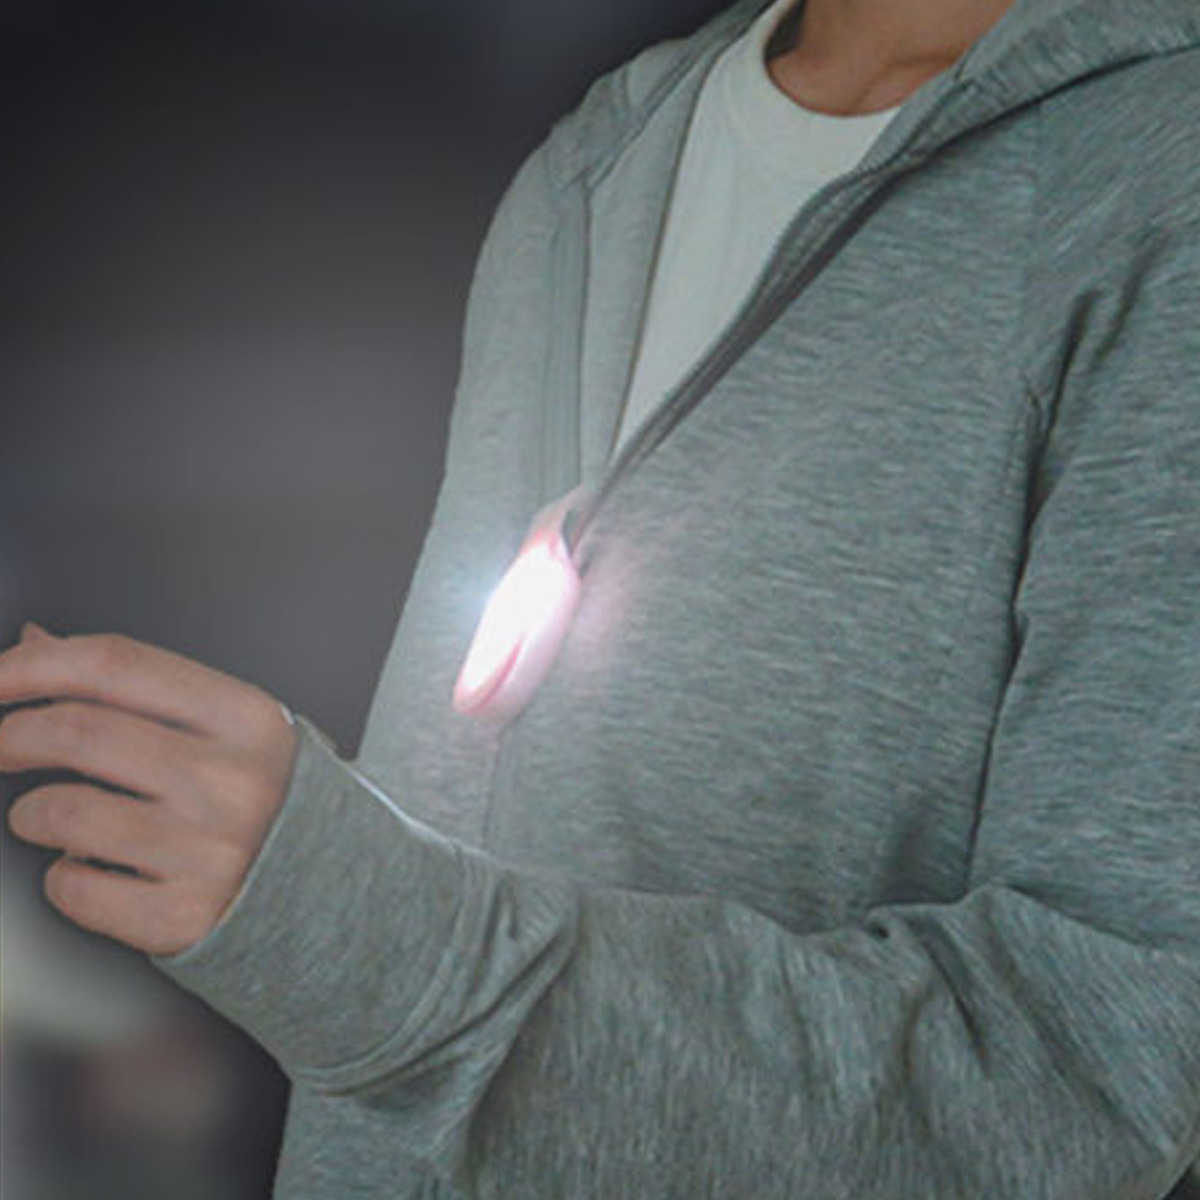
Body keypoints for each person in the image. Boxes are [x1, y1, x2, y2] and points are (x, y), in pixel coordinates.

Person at [3, 0, 1199, 1194]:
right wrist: (329, 905)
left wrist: (379, 933)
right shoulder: (596, 164)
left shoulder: (1158, 180)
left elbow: (1101, 1070)